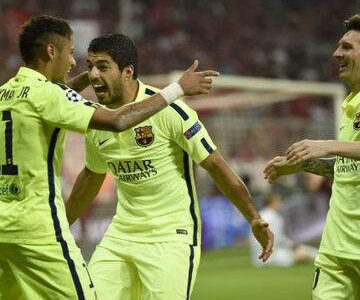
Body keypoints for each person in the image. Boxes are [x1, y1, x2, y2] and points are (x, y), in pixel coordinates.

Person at [0, 14, 218, 300]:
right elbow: (118, 120)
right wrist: (177, 89)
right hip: (37, 226)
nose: (73, 62)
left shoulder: (7, 93)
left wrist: (95, 76)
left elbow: (52, 97)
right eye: (70, 53)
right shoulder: (47, 96)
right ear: (51, 51)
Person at [65, 33, 274, 300]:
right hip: (122, 234)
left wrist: (254, 218)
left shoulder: (171, 111)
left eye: (103, 67)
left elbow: (215, 165)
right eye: (90, 66)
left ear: (127, 71)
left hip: (170, 237)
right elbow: (92, 177)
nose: (93, 75)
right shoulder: (98, 121)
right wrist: (57, 227)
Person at [264, 14, 360, 299]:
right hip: (336, 246)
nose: (336, 54)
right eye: (337, 47)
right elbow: (349, 166)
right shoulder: (350, 107)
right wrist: (300, 164)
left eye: (346, 47)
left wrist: (327, 145)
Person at [249, 193, 318, 267]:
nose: (280, 203)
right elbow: (277, 239)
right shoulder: (275, 217)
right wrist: (292, 245)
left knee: (302, 251)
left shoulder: (259, 216)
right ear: (272, 202)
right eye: (278, 201)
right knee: (312, 252)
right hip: (273, 256)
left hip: (257, 258)